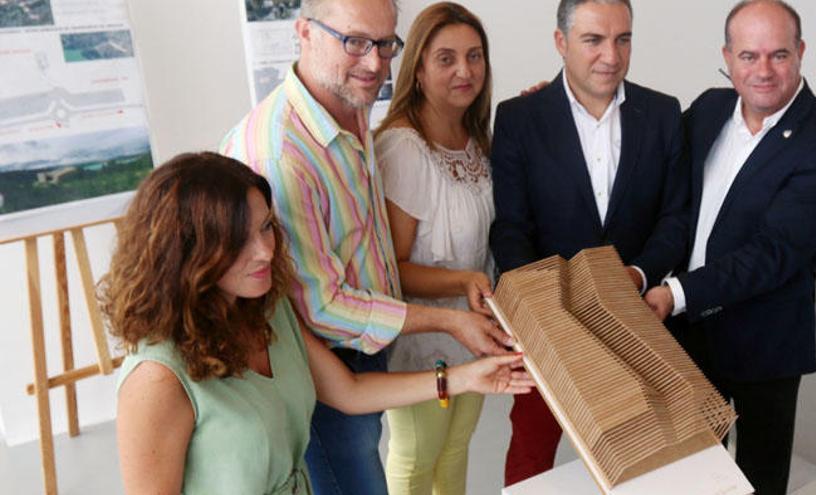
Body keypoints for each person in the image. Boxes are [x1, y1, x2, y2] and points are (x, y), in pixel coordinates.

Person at [105, 152, 534, 495]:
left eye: (266, 228)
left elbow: (348, 392)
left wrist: (467, 377)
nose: (264, 252)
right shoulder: (156, 379)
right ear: (184, 253)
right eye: (238, 240)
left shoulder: (268, 310)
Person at [219, 1, 512, 493]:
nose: (375, 62)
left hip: (365, 351)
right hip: (323, 359)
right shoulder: (282, 155)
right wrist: (448, 316)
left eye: (385, 44)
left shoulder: (353, 111)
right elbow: (323, 307)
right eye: (354, 41)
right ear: (305, 33)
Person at [644, 1, 816, 493]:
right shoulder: (710, 109)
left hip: (764, 344)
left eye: (778, 54)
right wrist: (561, 105)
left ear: (801, 52)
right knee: (691, 471)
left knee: (758, 478)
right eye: (748, 55)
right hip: (686, 335)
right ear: (727, 55)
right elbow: (652, 163)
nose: (763, 71)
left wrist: (674, 293)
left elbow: (773, 252)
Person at [489, 0, 689, 485]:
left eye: (623, 39)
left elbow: (676, 218)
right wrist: (545, 307)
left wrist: (637, 276)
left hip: (636, 317)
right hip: (549, 326)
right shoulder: (518, 117)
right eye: (593, 40)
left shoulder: (663, 114)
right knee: (532, 456)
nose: (611, 56)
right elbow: (511, 228)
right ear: (561, 43)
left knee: (638, 453)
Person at [373, 3, 493, 494]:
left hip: (473, 332)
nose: (464, 71)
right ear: (418, 70)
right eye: (446, 59)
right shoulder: (404, 147)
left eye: (474, 56)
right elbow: (393, 270)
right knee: (417, 460)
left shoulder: (475, 137)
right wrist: (464, 282)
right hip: (421, 341)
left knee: (454, 454)